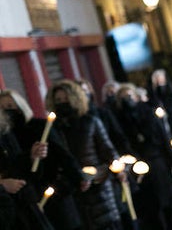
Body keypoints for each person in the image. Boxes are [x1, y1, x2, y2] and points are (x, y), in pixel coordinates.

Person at [1, 89, 84, 230]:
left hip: (51, 190)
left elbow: (63, 155)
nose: (7, 112)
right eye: (2, 108)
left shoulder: (37, 126)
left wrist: (78, 177)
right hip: (22, 200)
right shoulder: (7, 134)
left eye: (10, 106)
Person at [49, 79, 122, 230]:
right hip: (74, 194)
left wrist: (94, 176)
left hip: (99, 190)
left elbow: (109, 153)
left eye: (66, 98)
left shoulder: (91, 122)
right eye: (58, 100)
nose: (62, 103)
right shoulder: (53, 129)